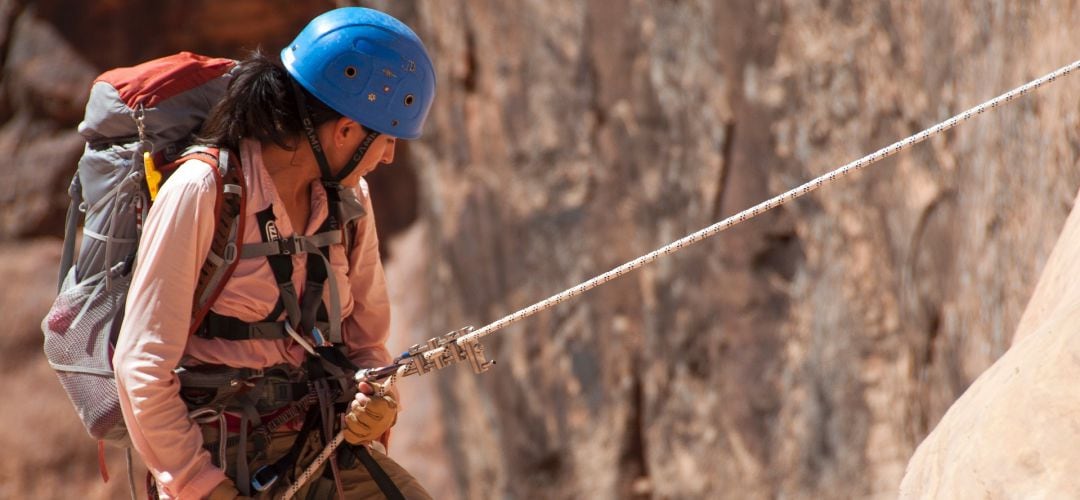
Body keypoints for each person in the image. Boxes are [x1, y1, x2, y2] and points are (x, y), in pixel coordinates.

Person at [112, 7, 435, 499]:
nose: (388, 156)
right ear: (345, 131)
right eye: (386, 138)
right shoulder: (205, 190)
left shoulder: (350, 202)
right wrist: (203, 487)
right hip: (215, 453)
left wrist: (380, 401)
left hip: (321, 440)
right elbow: (142, 363)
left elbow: (367, 343)